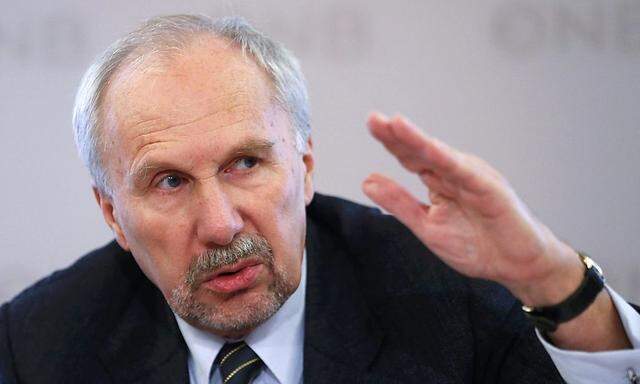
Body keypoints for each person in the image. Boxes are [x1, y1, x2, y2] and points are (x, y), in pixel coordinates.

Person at [0, 14, 638, 384]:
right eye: (169, 182)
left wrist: (550, 281)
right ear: (112, 213)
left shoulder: (451, 297)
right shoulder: (37, 349)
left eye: (246, 163)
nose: (221, 226)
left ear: (304, 167)